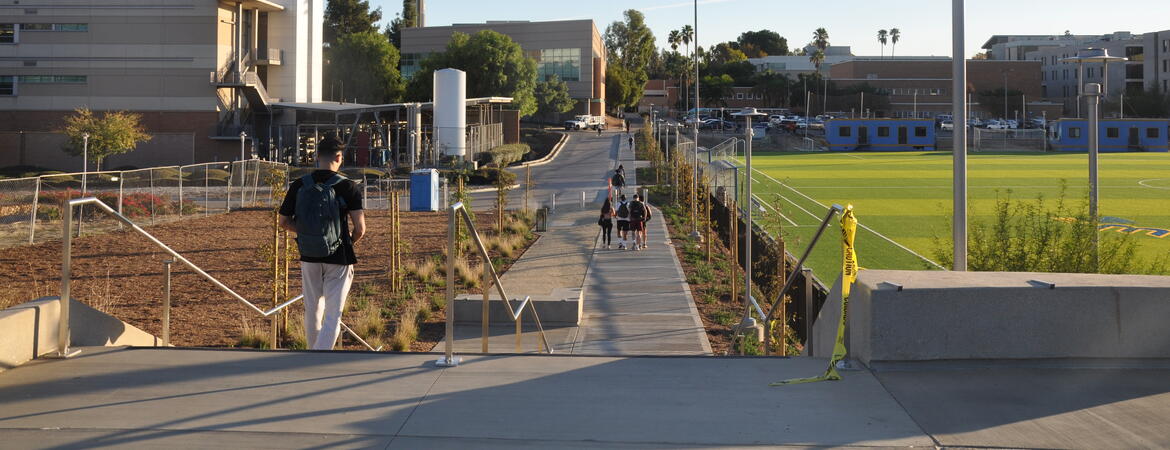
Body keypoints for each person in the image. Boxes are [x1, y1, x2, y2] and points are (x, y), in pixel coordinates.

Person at [278, 137, 366, 350]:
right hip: (339, 256)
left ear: (317, 156)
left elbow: (283, 222)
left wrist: (308, 233)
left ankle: (312, 352)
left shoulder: (299, 184)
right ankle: (319, 355)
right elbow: (360, 229)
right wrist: (346, 242)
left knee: (313, 309)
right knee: (333, 314)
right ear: (339, 157)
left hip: (309, 255)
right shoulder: (348, 186)